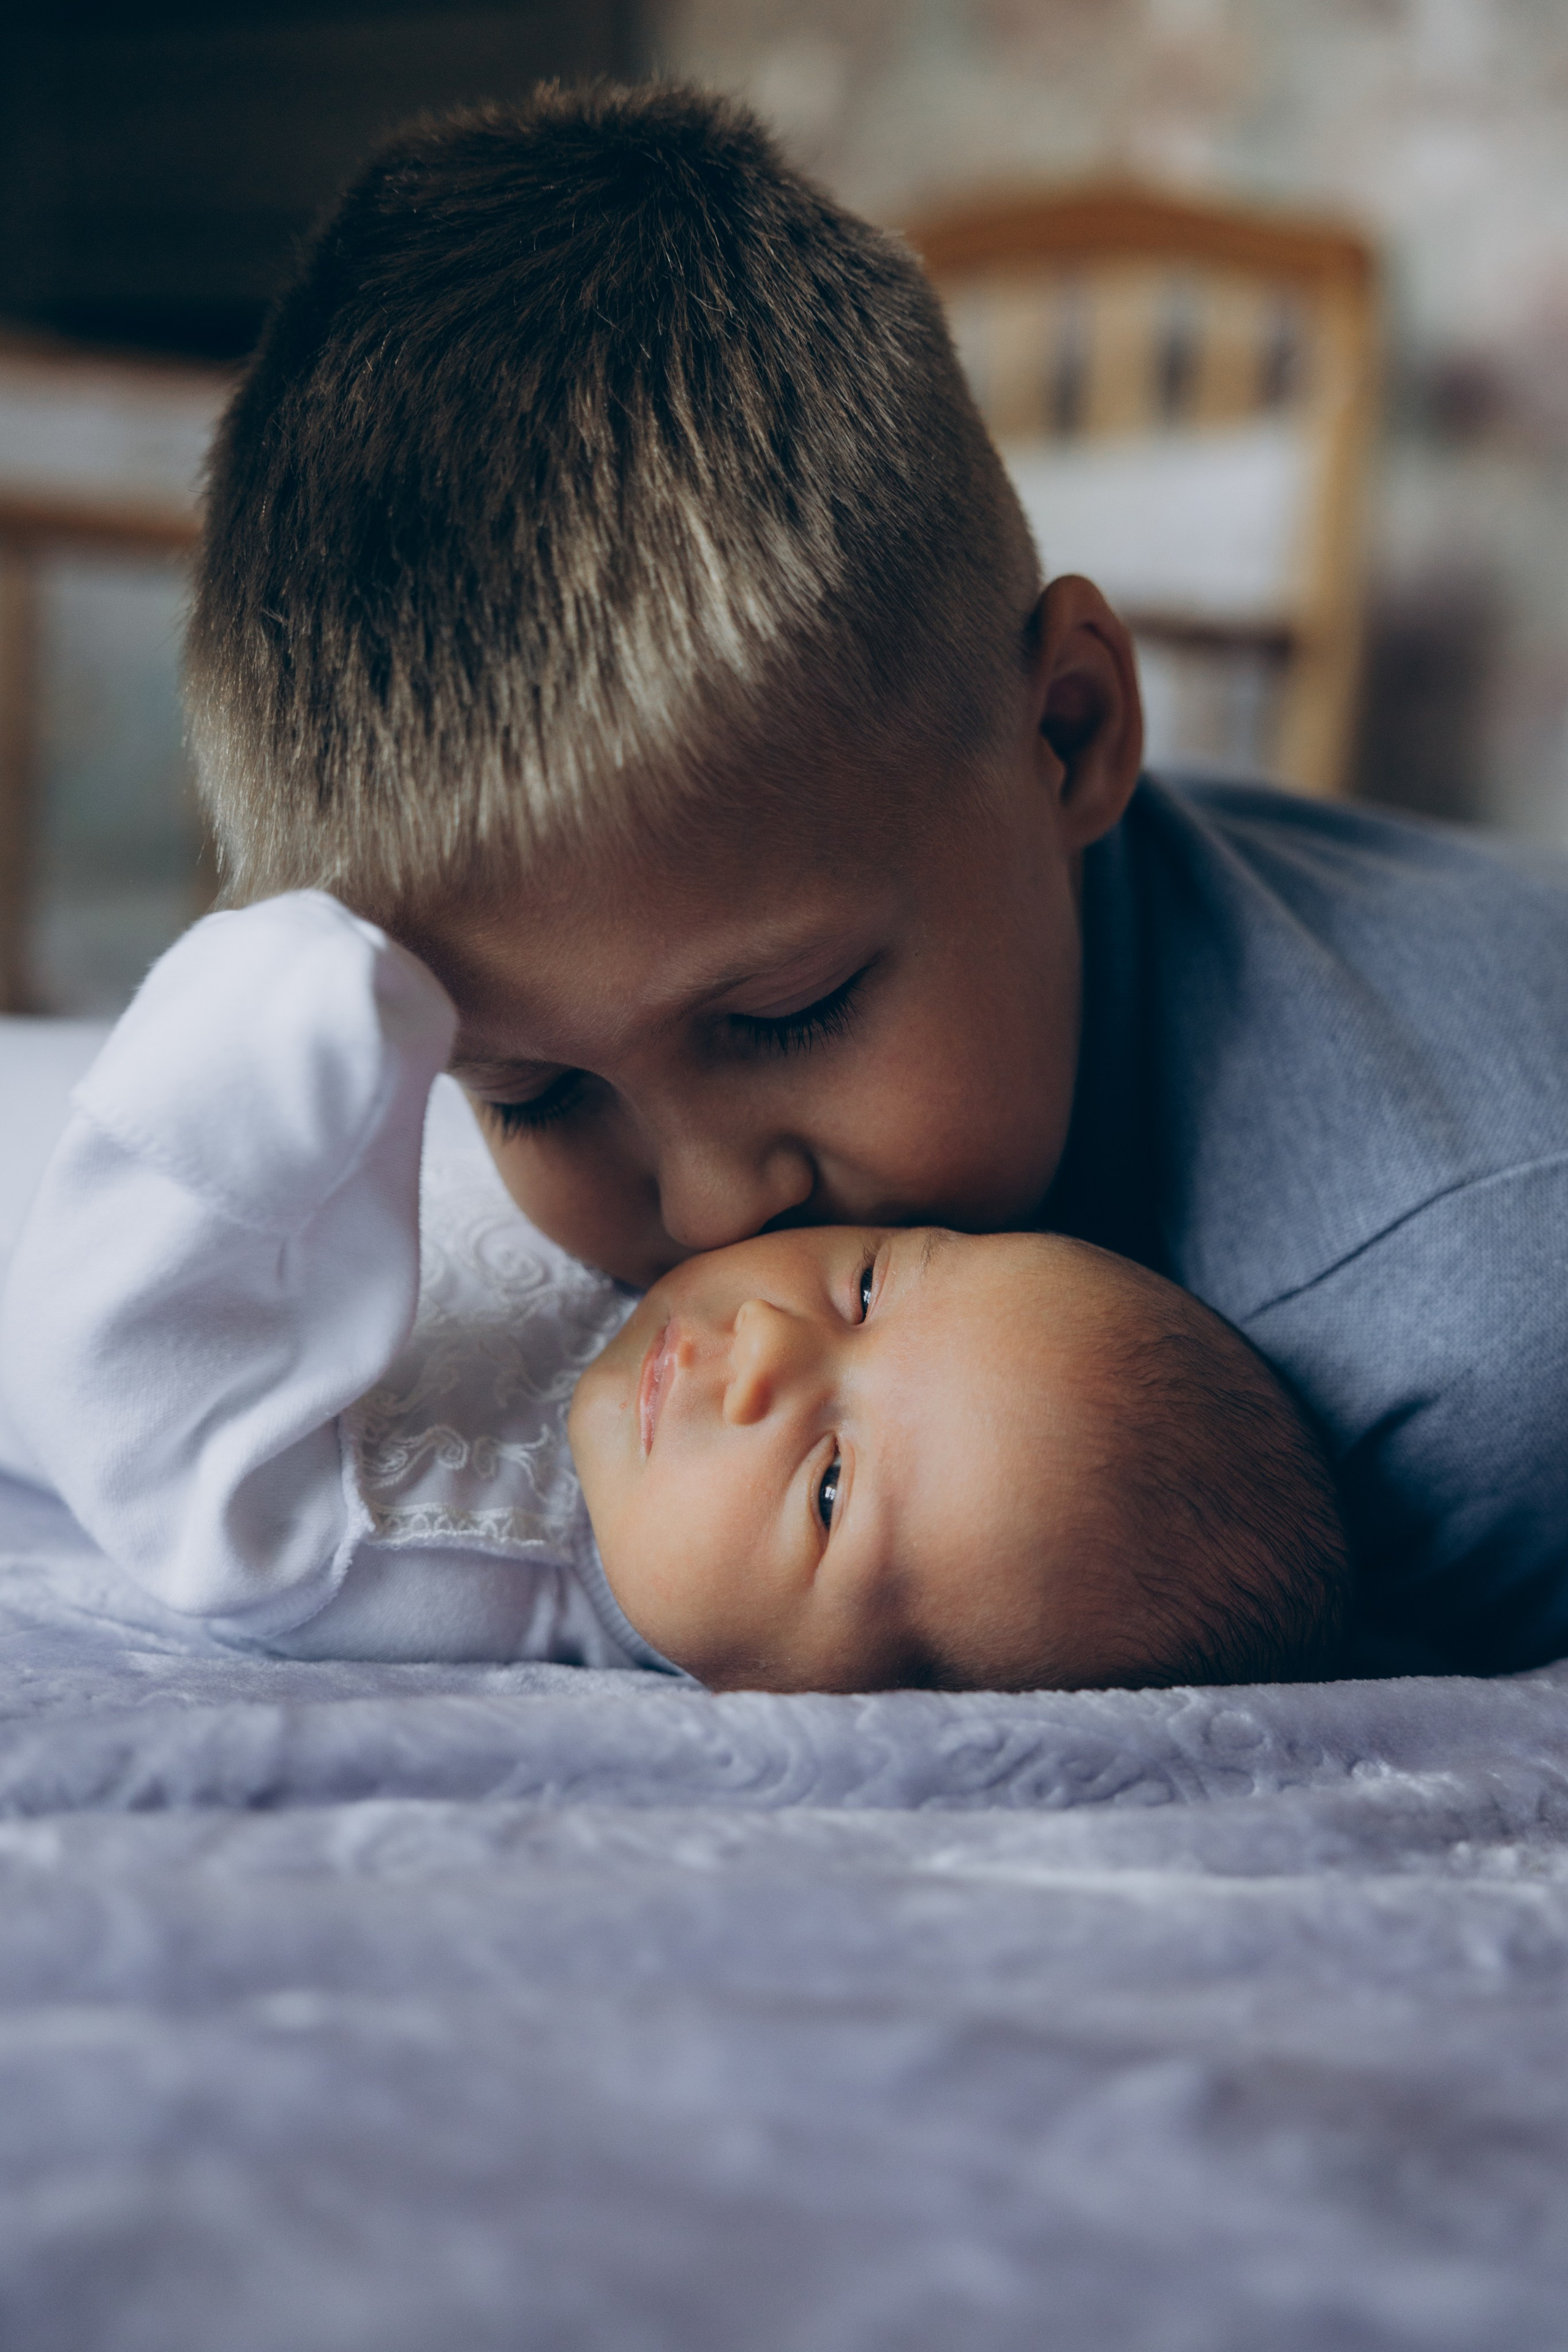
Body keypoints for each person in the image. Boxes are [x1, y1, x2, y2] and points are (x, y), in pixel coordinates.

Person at [178, 85, 1568, 1678]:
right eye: (532, 1096)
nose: (704, 1208)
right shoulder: (805, 893)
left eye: (787, 1012)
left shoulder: (1472, 1355)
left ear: (1071, 733)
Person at [0, 894, 1347, 1694]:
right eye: (869, 1289)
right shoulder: (665, 1303)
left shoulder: (429, 1558)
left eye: (830, 1489)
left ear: (826, 1699)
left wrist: (280, 1008)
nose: (766, 1342)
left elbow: (128, 1396)